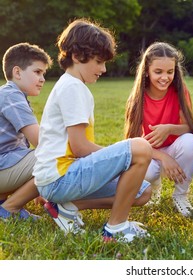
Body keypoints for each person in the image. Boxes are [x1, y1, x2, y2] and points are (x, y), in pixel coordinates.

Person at [33, 18, 153, 242]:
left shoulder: (72, 85)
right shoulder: (72, 87)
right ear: (78, 57)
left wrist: (116, 159)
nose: (103, 69)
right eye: (98, 62)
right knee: (141, 148)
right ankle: (116, 228)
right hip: (60, 178)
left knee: (142, 191)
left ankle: (67, 208)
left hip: (60, 181)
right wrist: (118, 160)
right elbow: (79, 147)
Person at [124, 42, 193, 217]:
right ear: (147, 71)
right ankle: (154, 186)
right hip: (150, 153)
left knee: (191, 142)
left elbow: (188, 128)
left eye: (170, 72)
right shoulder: (137, 98)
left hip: (175, 148)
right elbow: (132, 143)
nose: (165, 77)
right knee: (147, 173)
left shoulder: (180, 91)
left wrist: (169, 129)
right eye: (158, 72)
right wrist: (163, 157)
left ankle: (181, 195)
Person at [0, 43, 52, 220]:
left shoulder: (11, 95)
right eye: (37, 72)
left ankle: (3, 202)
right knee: (56, 154)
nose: (43, 78)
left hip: (5, 165)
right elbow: (41, 141)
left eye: (43, 73)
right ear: (17, 72)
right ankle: (8, 209)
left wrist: (38, 184)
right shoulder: (10, 95)